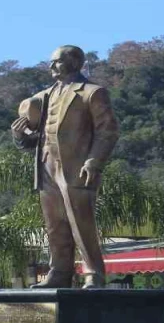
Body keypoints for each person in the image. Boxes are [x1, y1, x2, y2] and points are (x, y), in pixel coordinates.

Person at [11, 45, 120, 288]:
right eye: (50, 62)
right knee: (54, 224)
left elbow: (108, 131)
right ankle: (59, 272)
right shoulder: (43, 96)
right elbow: (32, 139)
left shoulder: (92, 93)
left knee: (80, 222)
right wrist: (20, 135)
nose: (51, 66)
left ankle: (94, 273)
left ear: (73, 62)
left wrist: (94, 161)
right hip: (46, 164)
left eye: (57, 61)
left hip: (76, 166)